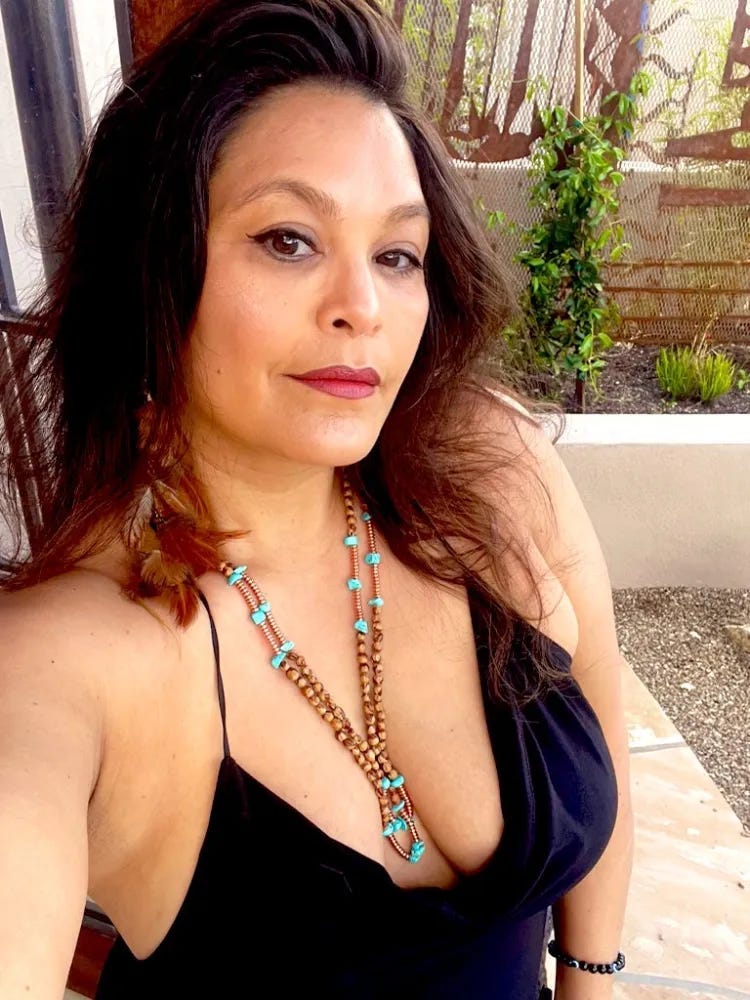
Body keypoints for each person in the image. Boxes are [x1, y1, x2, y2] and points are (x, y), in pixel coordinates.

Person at [0, 1, 634, 997]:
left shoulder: (490, 470)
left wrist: (590, 979)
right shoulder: (76, 654)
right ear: (154, 268)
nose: (362, 308)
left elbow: (598, 695)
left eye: (396, 254)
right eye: (288, 239)